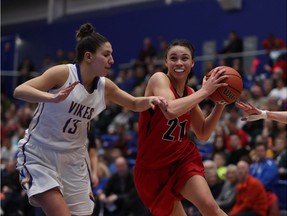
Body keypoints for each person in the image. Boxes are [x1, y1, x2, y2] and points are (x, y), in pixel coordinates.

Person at [13, 22, 167, 216]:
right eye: (106, 54)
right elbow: (20, 90)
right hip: (40, 154)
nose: (112, 60)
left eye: (111, 55)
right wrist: (52, 97)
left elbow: (135, 104)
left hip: (73, 159)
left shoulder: (105, 86)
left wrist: (152, 99)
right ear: (88, 57)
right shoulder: (63, 73)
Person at [134, 39, 229, 216]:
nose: (179, 62)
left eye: (184, 58)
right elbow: (170, 109)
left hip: (181, 160)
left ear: (192, 63)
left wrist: (220, 104)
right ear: (166, 61)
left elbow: (202, 132)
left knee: (209, 205)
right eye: (173, 58)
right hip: (151, 169)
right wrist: (205, 92)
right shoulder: (158, 79)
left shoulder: (191, 93)